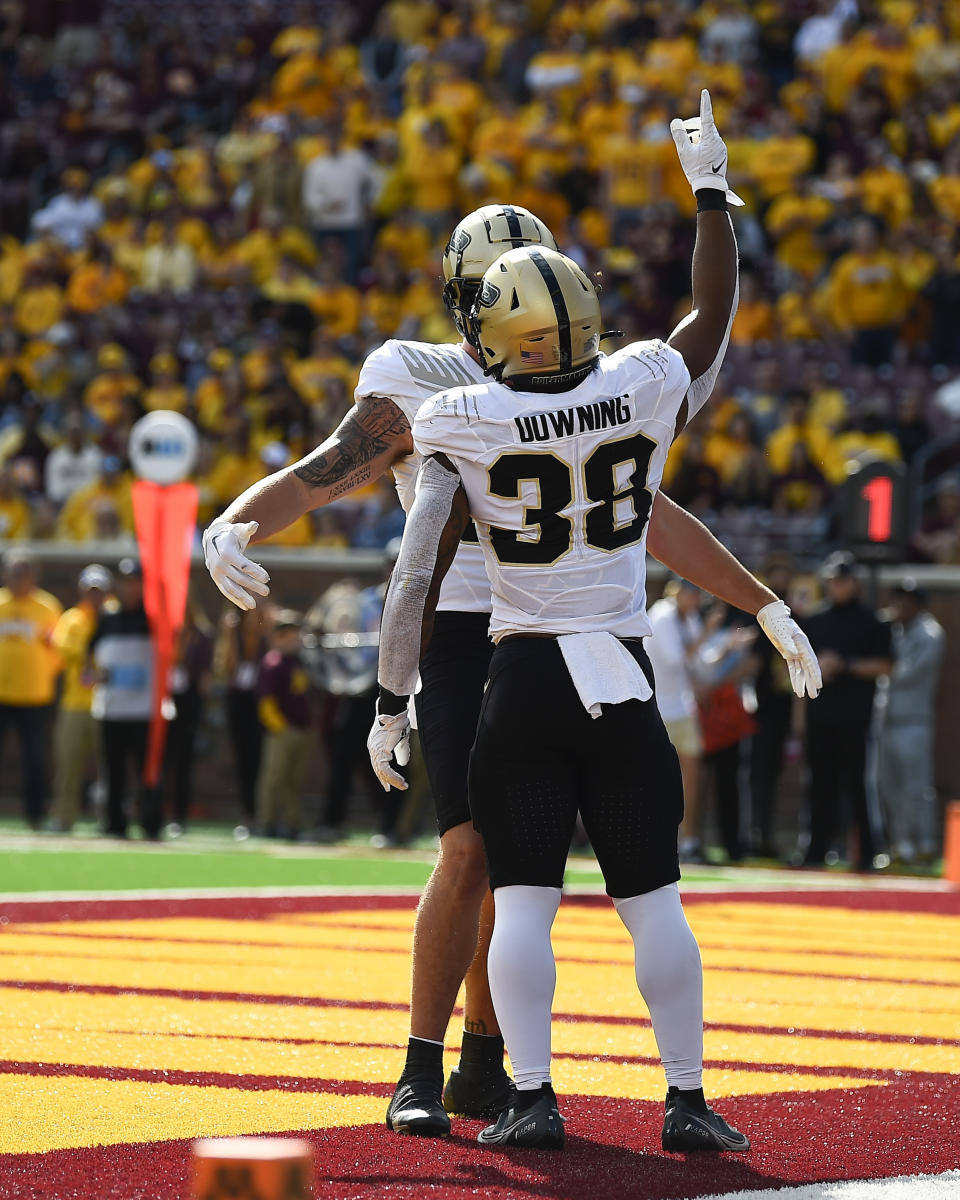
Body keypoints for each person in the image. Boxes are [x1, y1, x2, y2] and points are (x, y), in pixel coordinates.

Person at [203, 182, 815, 1138]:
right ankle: (424, 1061)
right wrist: (238, 517)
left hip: (543, 638)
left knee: (528, 864)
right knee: (474, 852)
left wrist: (761, 598)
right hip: (467, 630)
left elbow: (640, 509)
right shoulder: (427, 378)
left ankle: (498, 1066)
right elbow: (331, 471)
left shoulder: (560, 380)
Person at [367, 95, 821, 1151]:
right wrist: (711, 196)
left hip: (520, 681)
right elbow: (708, 317)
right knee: (654, 904)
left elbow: (415, 573)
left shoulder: (463, 418)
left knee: (523, 905)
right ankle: (689, 1100)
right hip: (621, 674)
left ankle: (529, 1096)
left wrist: (393, 698)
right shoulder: (642, 382)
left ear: (497, 334)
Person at [802, 551, 893, 870]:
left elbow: (886, 665)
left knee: (857, 785)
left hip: (856, 718)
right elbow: (798, 668)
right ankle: (816, 851)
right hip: (820, 716)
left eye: (842, 580)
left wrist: (845, 665)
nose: (836, 586)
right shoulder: (816, 620)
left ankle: (866, 853)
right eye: (832, 581)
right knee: (819, 784)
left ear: (855, 582)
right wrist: (819, 668)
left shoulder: (874, 621)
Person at [89, 557, 162, 839]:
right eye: (125, 583)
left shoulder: (154, 618)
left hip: (145, 709)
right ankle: (114, 822)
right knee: (114, 768)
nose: (130, 588)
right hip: (113, 707)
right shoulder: (107, 618)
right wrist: (94, 674)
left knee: (147, 768)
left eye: (135, 583)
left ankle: (150, 821)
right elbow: (90, 655)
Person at [877, 580, 945, 865]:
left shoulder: (930, 634)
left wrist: (874, 665)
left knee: (916, 787)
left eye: (907, 600)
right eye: (898, 599)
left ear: (919, 604)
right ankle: (900, 845)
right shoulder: (892, 629)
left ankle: (926, 844)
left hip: (914, 721)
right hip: (886, 720)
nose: (900, 605)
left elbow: (905, 672)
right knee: (890, 787)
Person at [49, 564, 114, 832]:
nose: (95, 596)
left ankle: (108, 817)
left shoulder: (114, 616)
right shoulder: (72, 618)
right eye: (90, 591)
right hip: (75, 703)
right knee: (68, 763)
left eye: (99, 591)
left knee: (110, 765)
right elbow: (63, 648)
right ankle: (64, 816)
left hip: (109, 702)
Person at [0, 550, 62, 828]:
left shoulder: (48, 607)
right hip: (2, 694)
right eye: (14, 573)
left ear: (33, 577)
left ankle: (36, 813)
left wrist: (42, 673)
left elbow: (59, 651)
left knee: (36, 758)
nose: (19, 579)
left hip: (36, 694)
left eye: (24, 573)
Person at [646, 579, 706, 862]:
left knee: (691, 776)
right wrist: (711, 633)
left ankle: (689, 840)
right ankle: (655, 837)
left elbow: (699, 663)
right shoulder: (662, 615)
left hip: (681, 707)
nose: (694, 600)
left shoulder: (688, 617)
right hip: (657, 709)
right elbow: (675, 659)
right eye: (691, 594)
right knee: (656, 778)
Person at [255, 610, 313, 839]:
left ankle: (292, 823)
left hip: (302, 730)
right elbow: (266, 701)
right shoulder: (273, 662)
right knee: (274, 778)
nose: (295, 639)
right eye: (289, 634)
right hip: (283, 731)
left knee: (294, 781)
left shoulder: (300, 662)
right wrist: (280, 728)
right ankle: (265, 822)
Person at [214, 602, 269, 828]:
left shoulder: (267, 622)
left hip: (263, 698)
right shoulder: (230, 625)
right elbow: (223, 666)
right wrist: (230, 635)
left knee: (263, 758)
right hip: (238, 698)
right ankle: (248, 813)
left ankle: (266, 813)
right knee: (243, 758)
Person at [164, 595, 214, 833]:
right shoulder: (166, 631)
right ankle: (157, 809)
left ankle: (180, 814)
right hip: (165, 698)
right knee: (162, 759)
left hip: (188, 702)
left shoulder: (200, 636)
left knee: (184, 760)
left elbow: (205, 675)